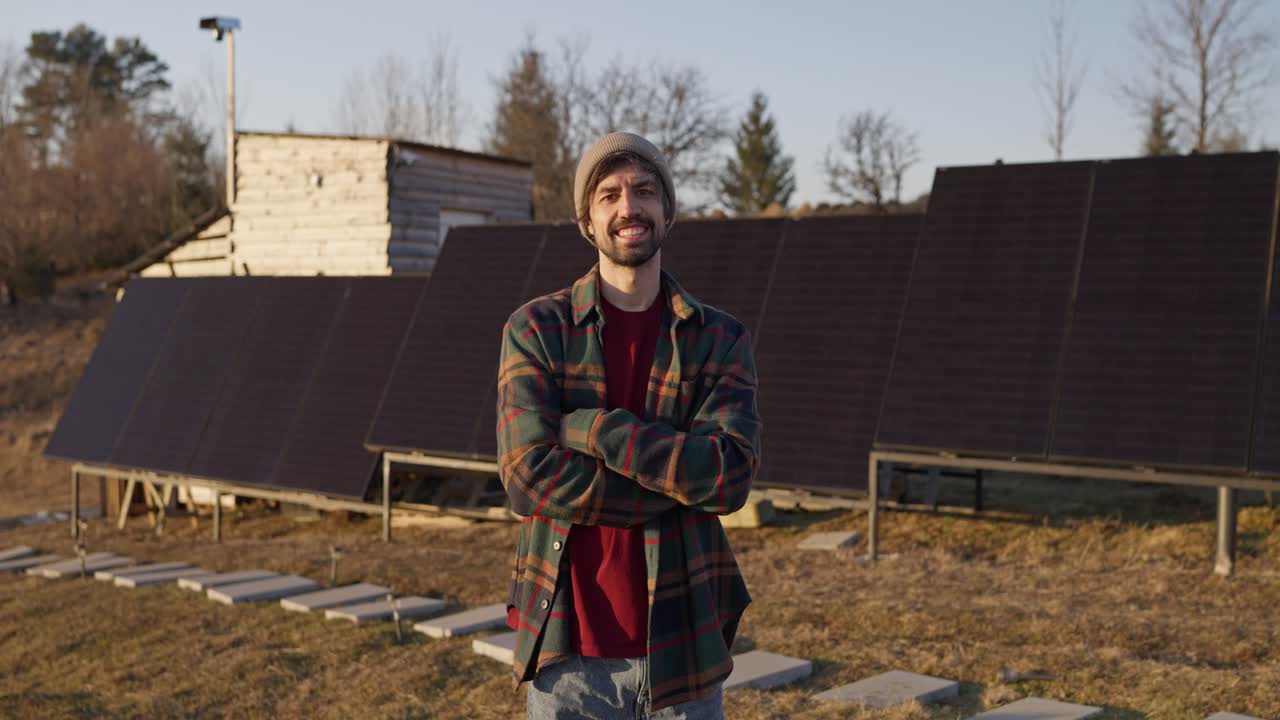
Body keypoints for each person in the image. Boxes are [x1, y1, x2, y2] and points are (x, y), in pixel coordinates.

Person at [496, 131, 762, 719]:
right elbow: (525, 477)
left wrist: (594, 431)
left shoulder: (718, 338)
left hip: (684, 639)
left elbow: (729, 477)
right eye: (609, 194)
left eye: (644, 190)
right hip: (571, 654)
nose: (628, 207)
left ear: (667, 210)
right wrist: (675, 485)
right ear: (587, 219)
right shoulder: (538, 329)